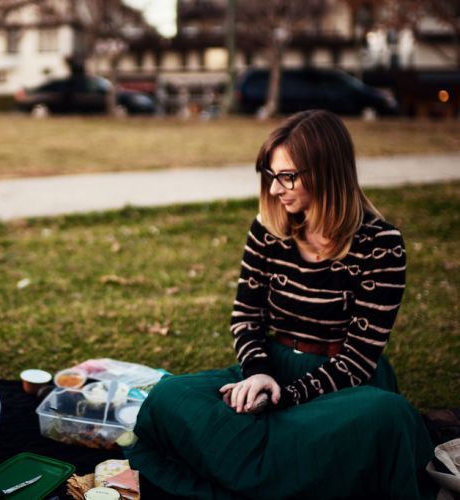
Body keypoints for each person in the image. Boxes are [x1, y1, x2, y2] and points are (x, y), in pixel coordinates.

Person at [124, 110, 436, 499]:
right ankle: (284, 472)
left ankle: (255, 468)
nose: (275, 189)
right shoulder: (268, 229)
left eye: (287, 176)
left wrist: (282, 398)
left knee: (388, 416)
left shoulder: (382, 245)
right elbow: (246, 317)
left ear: (327, 172)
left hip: (341, 387)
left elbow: (358, 360)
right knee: (168, 397)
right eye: (270, 176)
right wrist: (257, 374)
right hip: (268, 367)